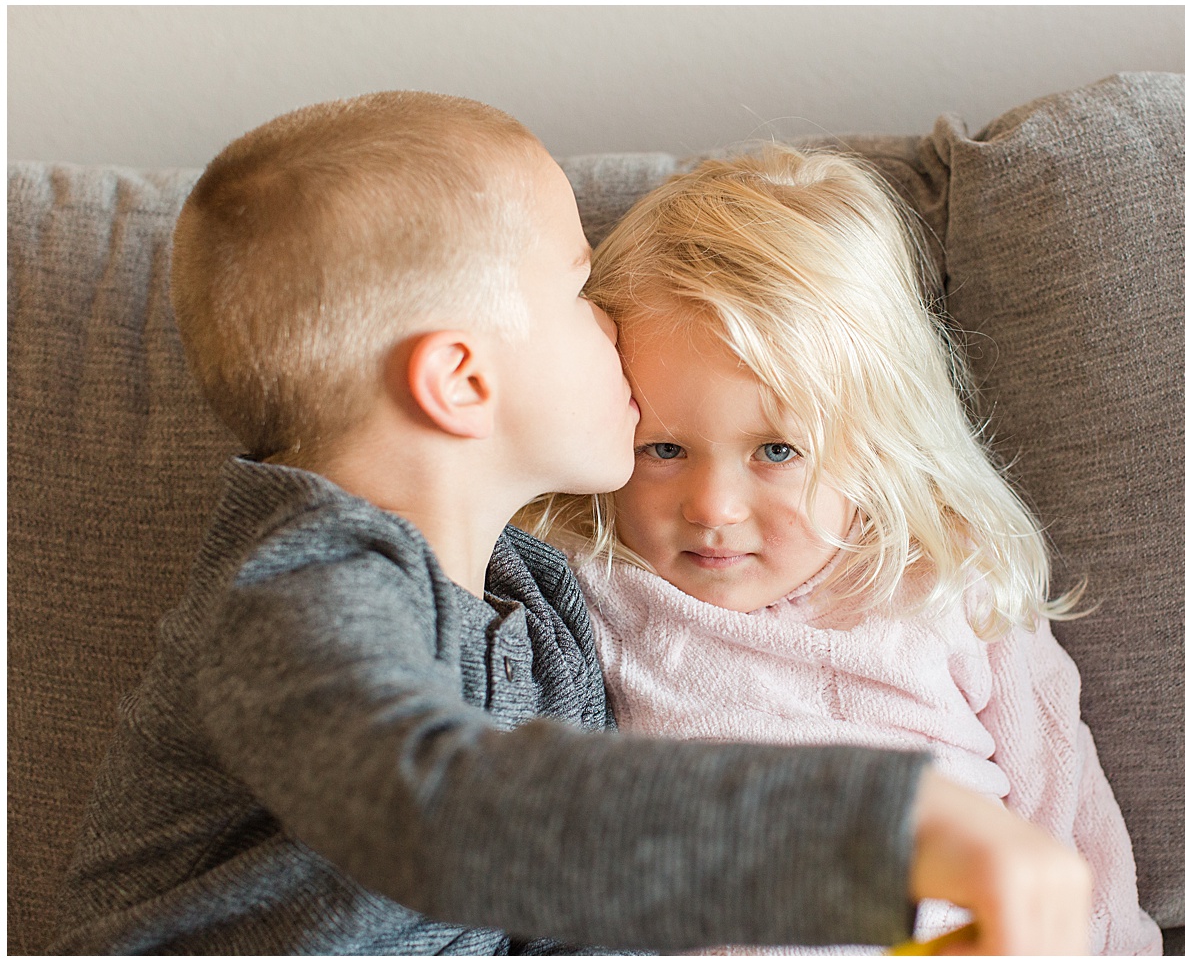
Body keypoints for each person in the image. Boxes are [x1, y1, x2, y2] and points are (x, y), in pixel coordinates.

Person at [51, 93, 1092, 955]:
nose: (614, 329)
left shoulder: (542, 600)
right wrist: (893, 827)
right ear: (460, 379)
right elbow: (433, 810)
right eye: (582, 291)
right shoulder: (294, 589)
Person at [519, 145, 1161, 955]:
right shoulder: (586, 584)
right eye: (664, 449)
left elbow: (1066, 815)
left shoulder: (947, 580)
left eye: (777, 452)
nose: (712, 508)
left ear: (875, 443)